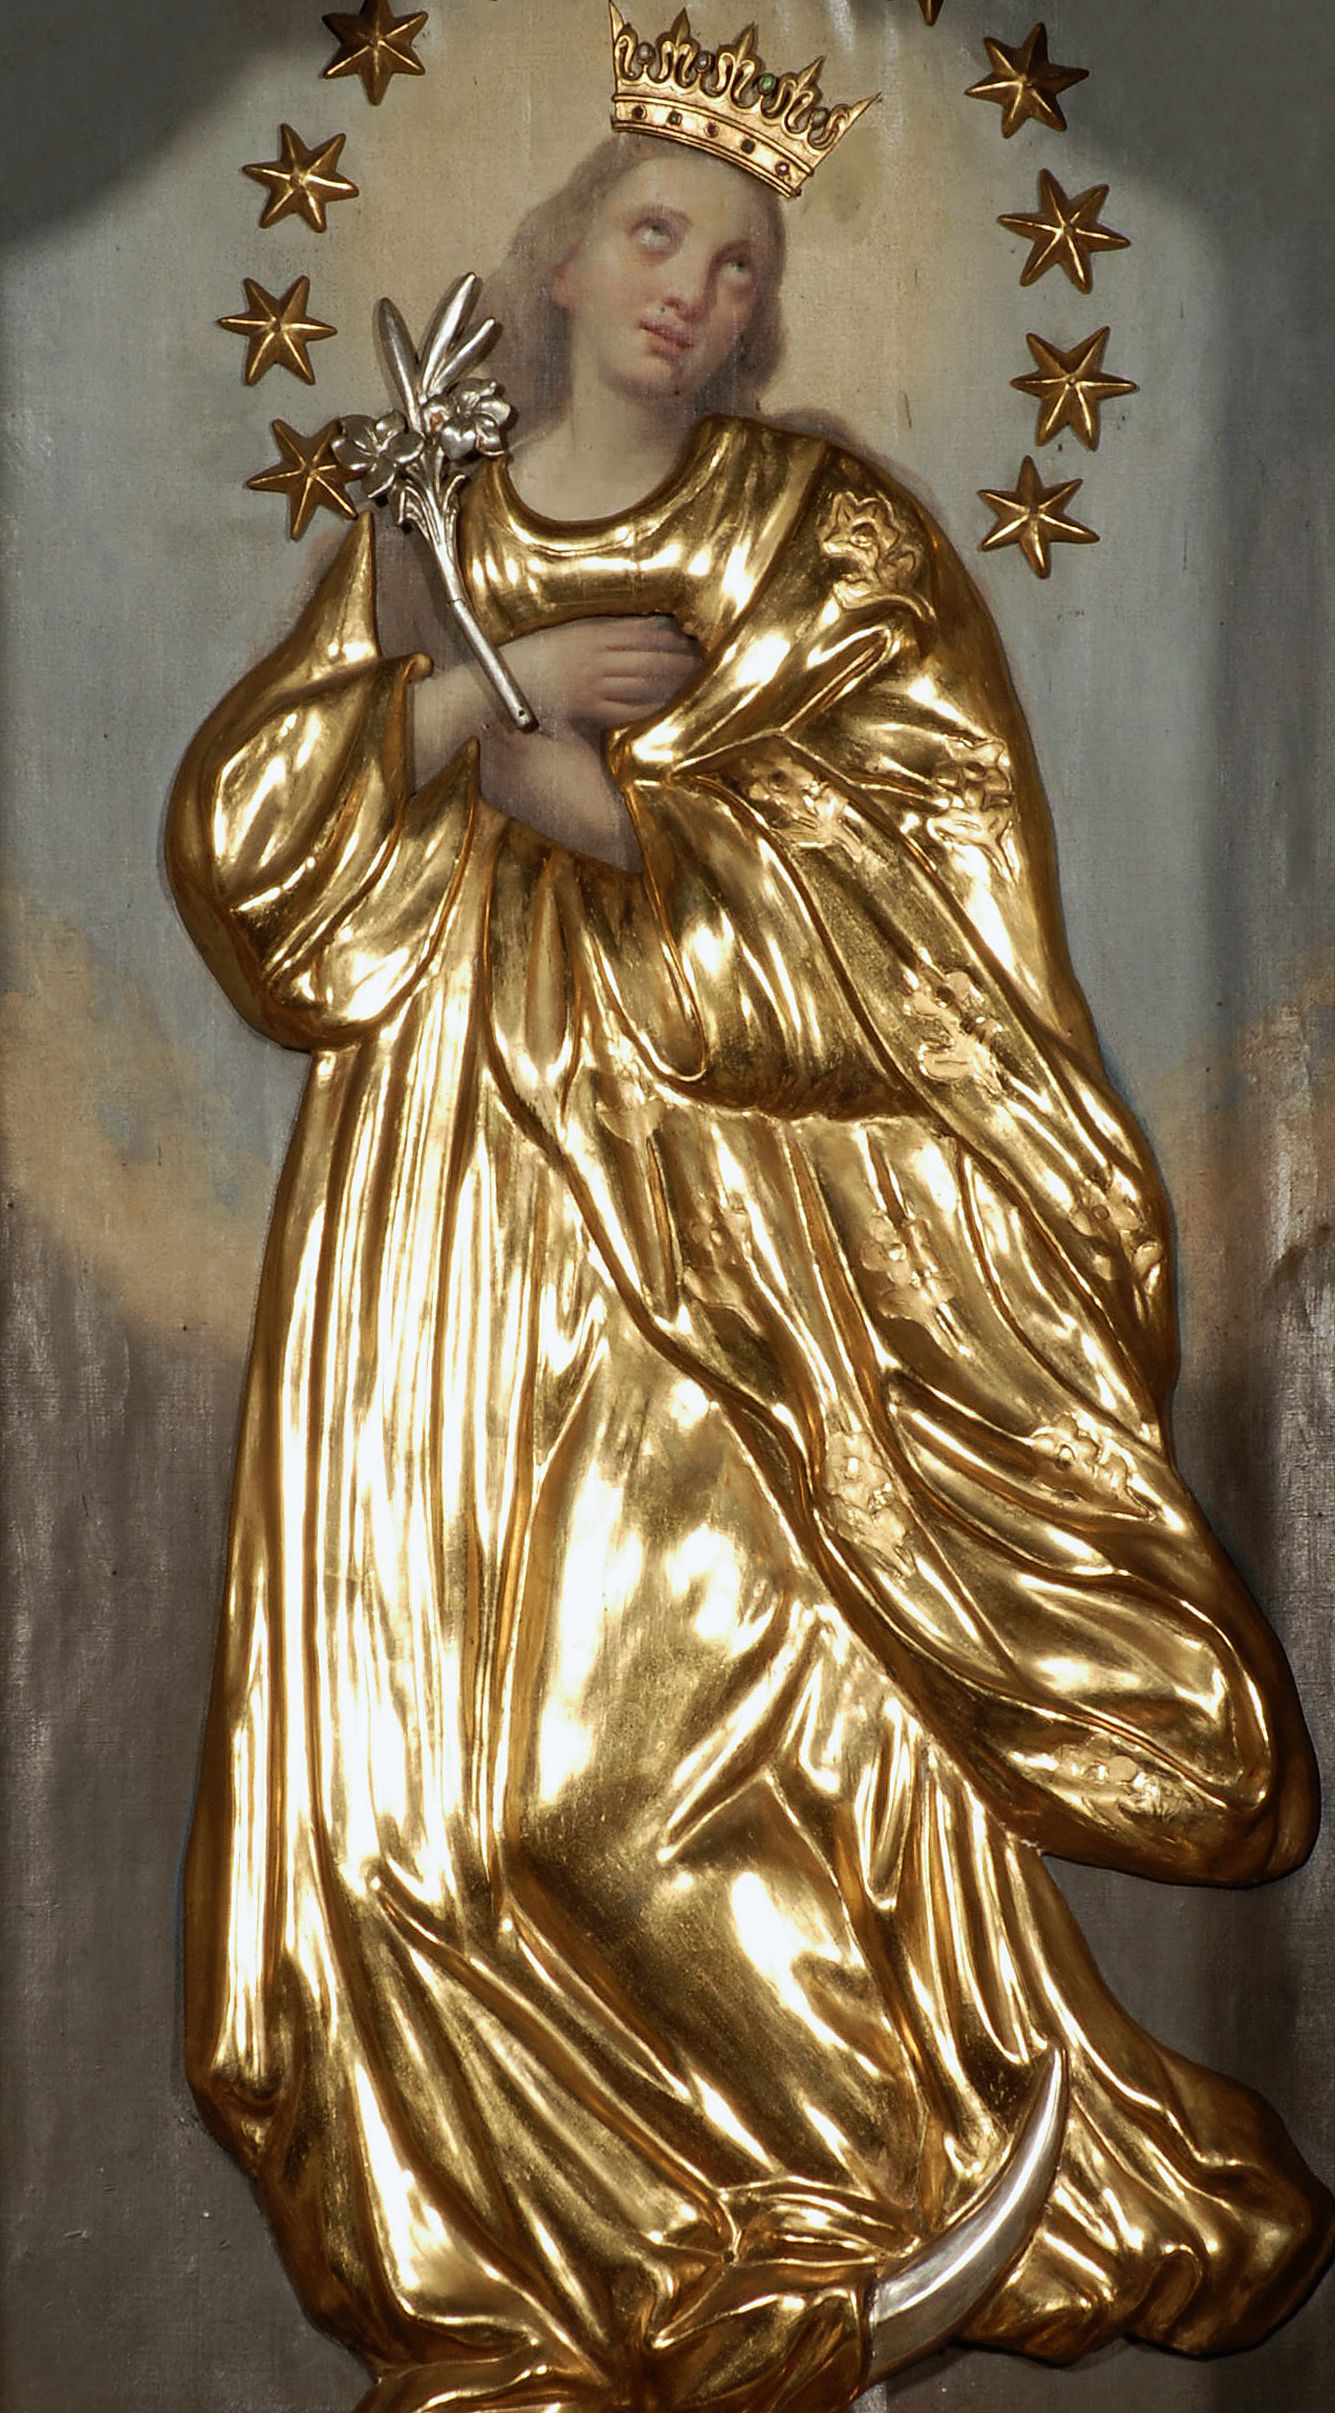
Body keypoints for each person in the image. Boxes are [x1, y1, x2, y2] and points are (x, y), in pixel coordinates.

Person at [168, 95, 1332, 2413]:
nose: (693, 294)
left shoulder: (827, 540)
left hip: (731, 1262)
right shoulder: (433, 528)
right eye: (656, 236)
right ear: (562, 255)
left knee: (636, 1784)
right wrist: (461, 692)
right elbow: (260, 855)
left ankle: (830, 2216)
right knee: (405, 1817)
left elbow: (918, 909)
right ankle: (534, 2302)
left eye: (738, 267)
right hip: (439, 1225)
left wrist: (588, 800)